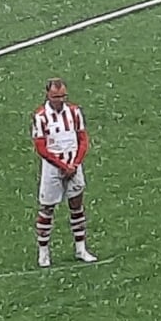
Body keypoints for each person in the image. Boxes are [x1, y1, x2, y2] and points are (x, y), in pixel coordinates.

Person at [31, 78, 97, 268]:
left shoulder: (74, 113)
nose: (60, 100)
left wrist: (75, 163)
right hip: (53, 168)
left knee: (77, 206)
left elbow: (83, 139)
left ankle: (81, 248)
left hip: (73, 164)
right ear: (48, 96)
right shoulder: (41, 117)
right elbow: (41, 147)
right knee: (47, 208)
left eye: (62, 96)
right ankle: (43, 252)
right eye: (55, 97)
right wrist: (61, 165)